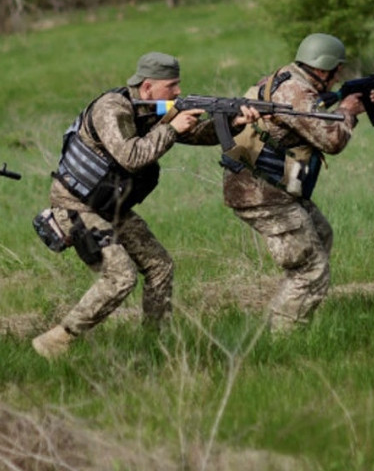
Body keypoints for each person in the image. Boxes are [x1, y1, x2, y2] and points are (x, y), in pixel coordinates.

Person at [31, 52, 258, 358]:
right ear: (148, 86)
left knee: (160, 266)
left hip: (111, 205)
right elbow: (132, 156)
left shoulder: (153, 107)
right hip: (77, 204)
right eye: (172, 85)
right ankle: (58, 339)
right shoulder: (111, 109)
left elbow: (194, 134)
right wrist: (172, 128)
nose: (178, 91)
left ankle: (156, 343)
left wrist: (232, 123)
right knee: (121, 277)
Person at [222, 33, 368, 333]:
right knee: (310, 270)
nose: (339, 74)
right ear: (324, 68)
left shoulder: (287, 77)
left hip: (271, 185)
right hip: (262, 192)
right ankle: (285, 338)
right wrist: (348, 112)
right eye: (337, 69)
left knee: (320, 234)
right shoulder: (296, 92)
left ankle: (289, 310)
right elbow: (332, 140)